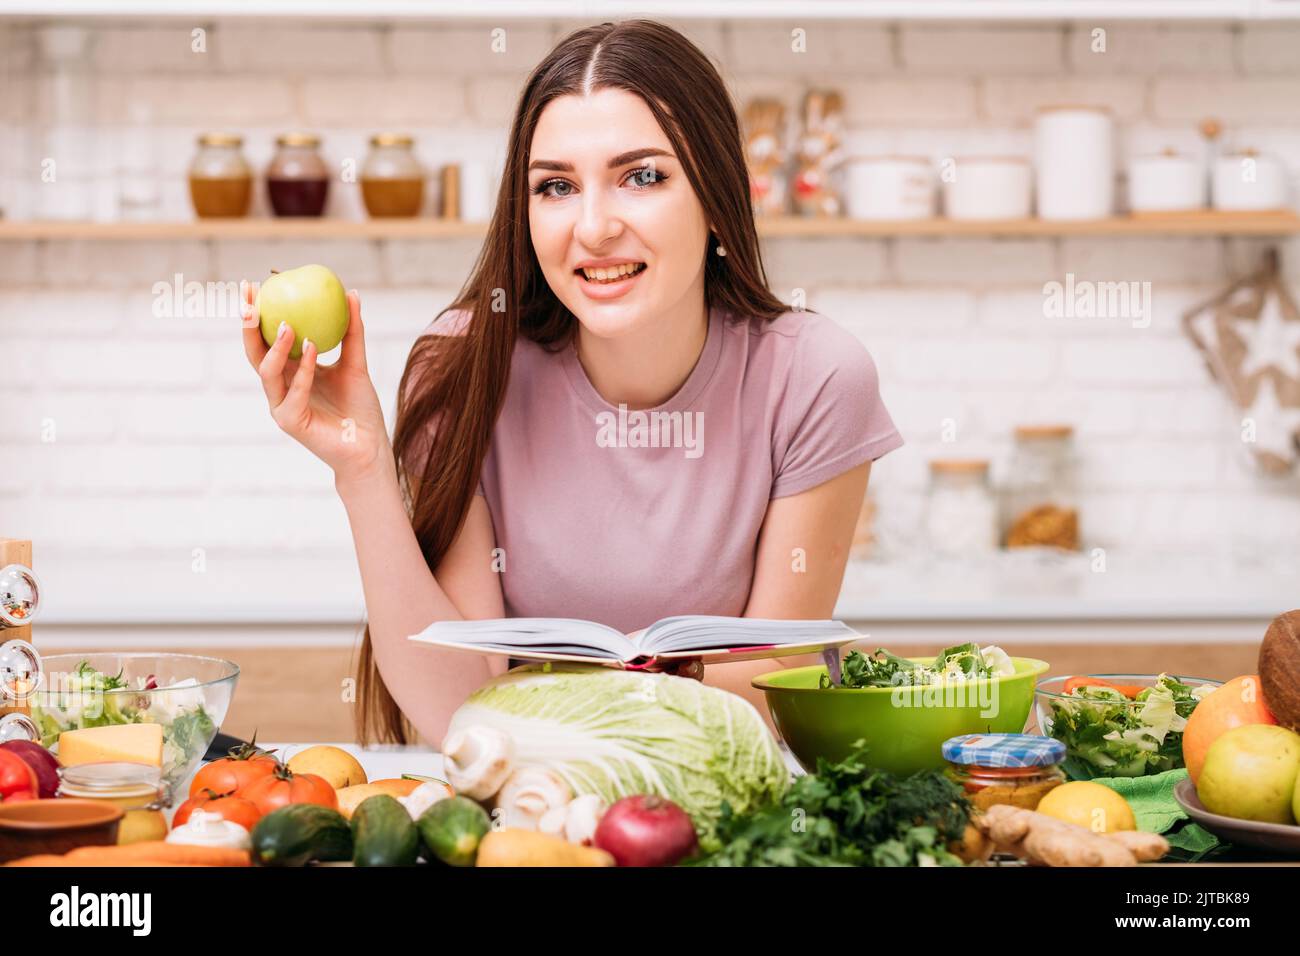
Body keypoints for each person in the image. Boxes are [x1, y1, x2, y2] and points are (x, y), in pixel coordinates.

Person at [240, 19, 903, 749]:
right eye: (555, 186)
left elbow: (771, 685)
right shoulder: (465, 367)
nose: (592, 229)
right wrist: (362, 469)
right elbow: (456, 710)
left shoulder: (815, 376)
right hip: (531, 813)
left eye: (642, 176)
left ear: (717, 196)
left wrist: (534, 700)